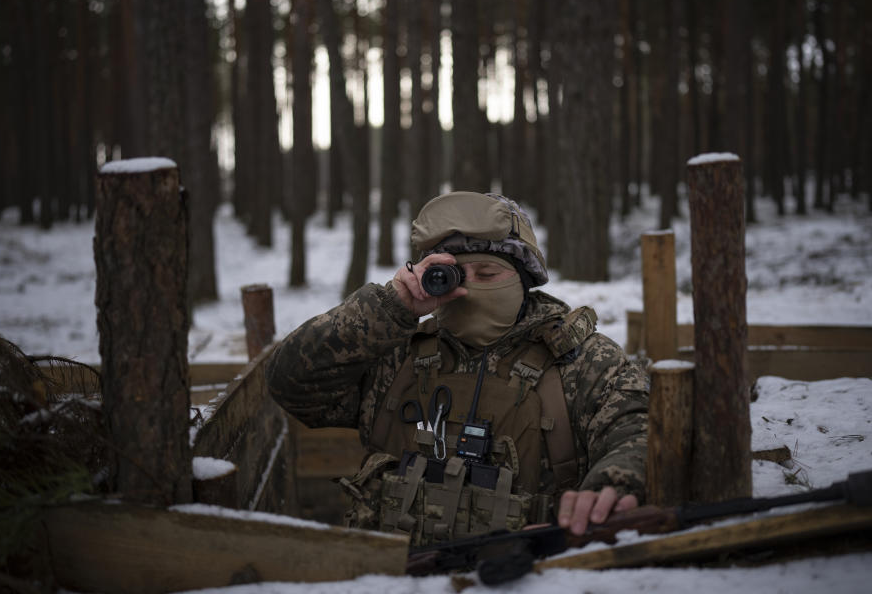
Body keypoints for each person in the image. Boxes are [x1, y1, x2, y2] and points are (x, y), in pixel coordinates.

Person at [266, 191, 648, 544]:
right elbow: (290, 383)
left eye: (488, 274)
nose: (470, 289)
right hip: (393, 577)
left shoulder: (582, 361)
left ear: (523, 280)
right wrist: (385, 311)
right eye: (455, 276)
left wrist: (612, 484)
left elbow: (637, 428)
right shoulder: (396, 357)